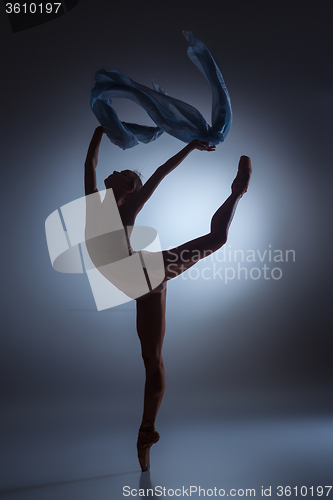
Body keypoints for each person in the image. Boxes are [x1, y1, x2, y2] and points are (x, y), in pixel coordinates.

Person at [84, 125, 252, 471]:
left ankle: (237, 191)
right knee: (153, 361)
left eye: (122, 174)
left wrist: (190, 146)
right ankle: (146, 433)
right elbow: (91, 162)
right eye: (117, 170)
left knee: (216, 239)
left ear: (128, 190)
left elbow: (158, 173)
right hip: (141, 283)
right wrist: (100, 129)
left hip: (143, 273)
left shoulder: (124, 211)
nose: (113, 171)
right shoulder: (95, 205)